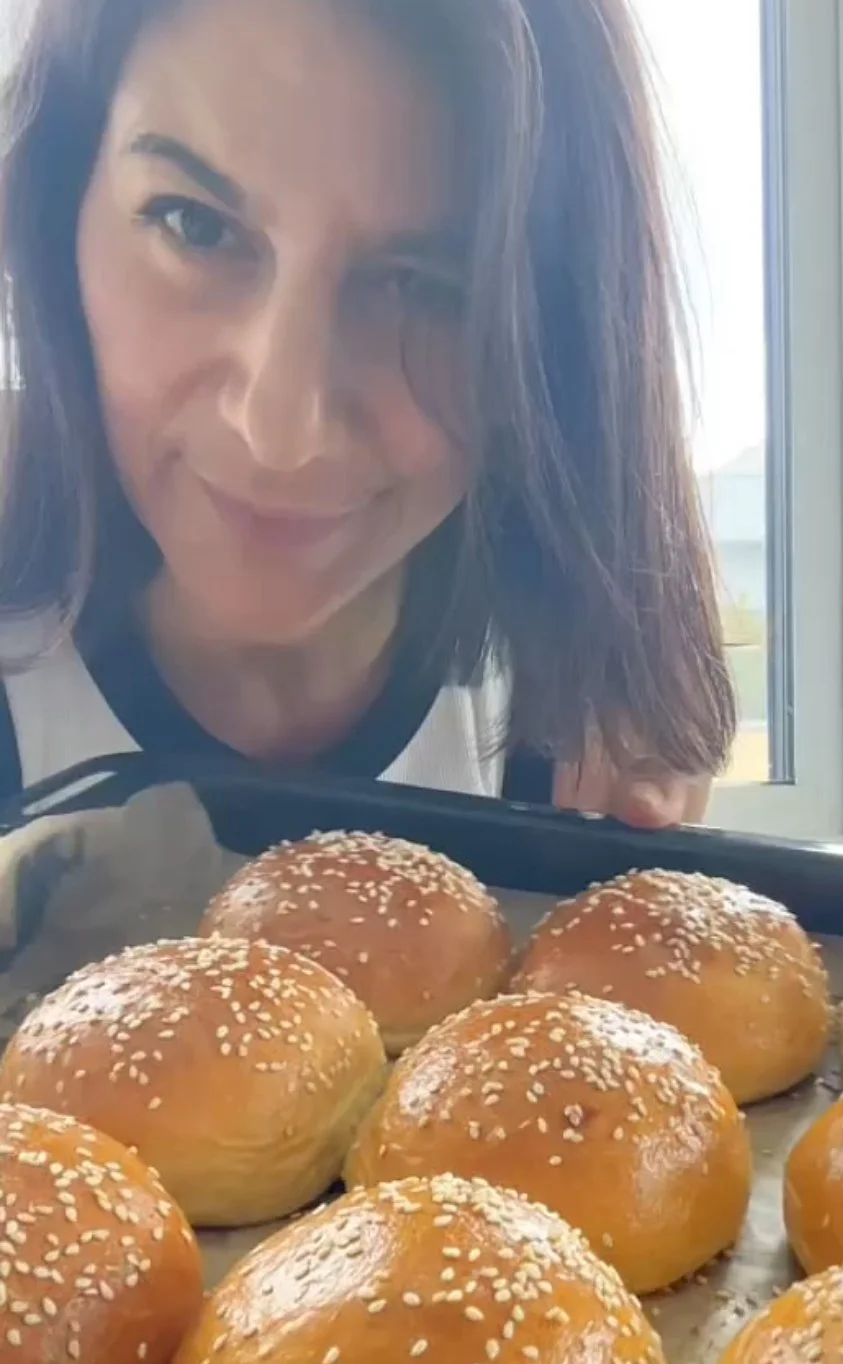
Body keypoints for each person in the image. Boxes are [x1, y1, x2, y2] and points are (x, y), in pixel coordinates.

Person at [0, 0, 735, 827]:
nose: (282, 434)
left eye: (419, 284)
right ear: (59, 210)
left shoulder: (568, 732)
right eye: (194, 224)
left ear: (556, 342)